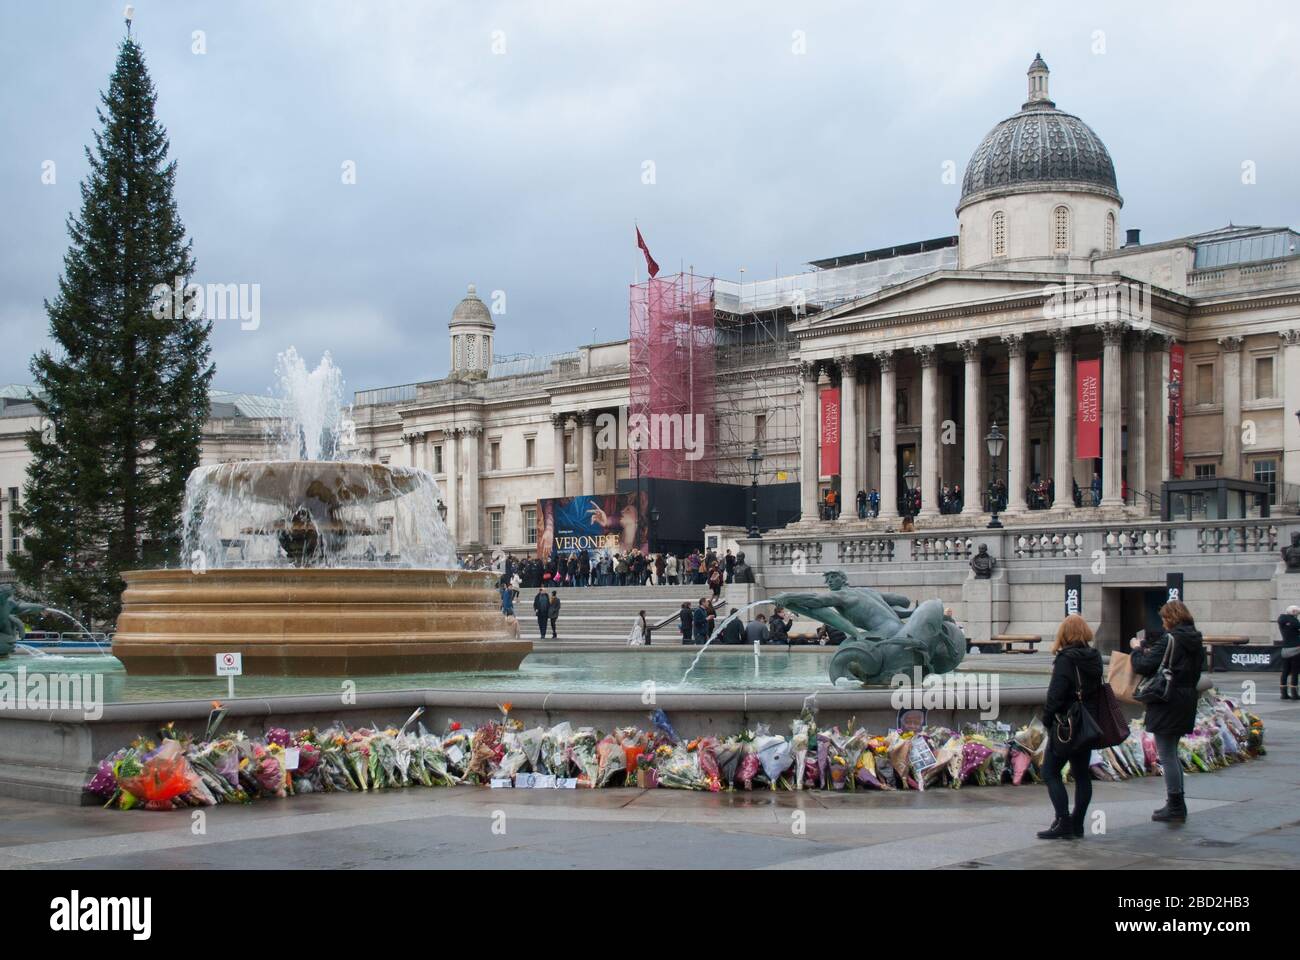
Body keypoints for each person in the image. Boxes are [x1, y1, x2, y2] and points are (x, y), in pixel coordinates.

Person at [1130, 599, 1204, 824]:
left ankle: (1175, 805)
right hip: (1186, 697)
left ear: (1171, 618)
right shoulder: (1196, 639)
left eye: (1164, 619)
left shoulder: (1170, 638)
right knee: (1172, 751)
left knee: (1166, 754)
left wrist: (1136, 650)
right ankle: (1177, 803)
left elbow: (1143, 665)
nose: (1162, 624)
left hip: (1167, 699)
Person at [1037, 614, 1103, 840]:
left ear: (1063, 634)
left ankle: (1063, 820)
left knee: (1050, 772)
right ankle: (1078, 822)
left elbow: (1055, 696)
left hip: (1066, 724)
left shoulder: (1066, 659)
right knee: (1082, 773)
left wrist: (1047, 720)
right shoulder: (1094, 657)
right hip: (1087, 723)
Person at [1277, 605, 1300, 700]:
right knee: (1295, 672)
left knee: (1285, 671)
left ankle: (1284, 694)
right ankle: (1294, 694)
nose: (1298, 615)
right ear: (1294, 612)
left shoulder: (1281, 620)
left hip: (1285, 649)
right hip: (1296, 649)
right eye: (1298, 613)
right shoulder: (1295, 621)